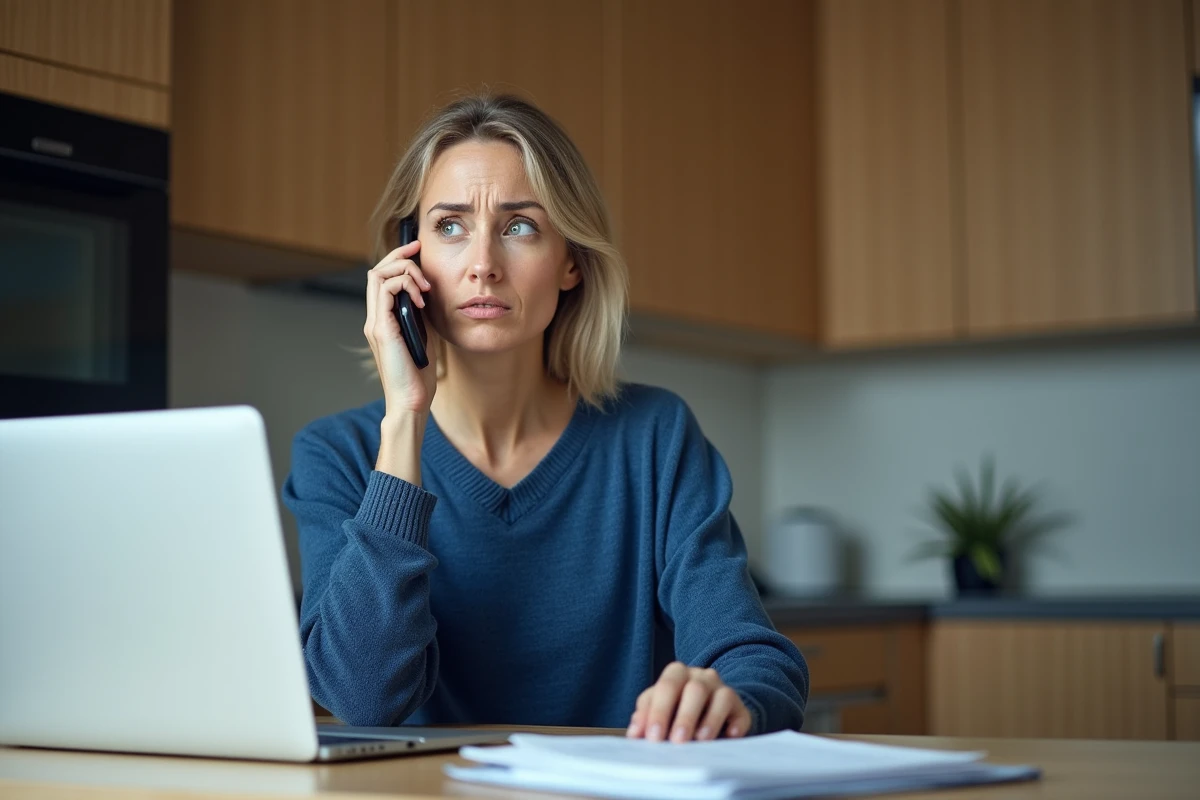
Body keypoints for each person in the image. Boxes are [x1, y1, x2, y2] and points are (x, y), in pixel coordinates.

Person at [282, 93, 808, 743]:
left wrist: (729, 697)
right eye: (449, 226)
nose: (482, 265)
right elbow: (362, 698)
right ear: (407, 259)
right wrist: (405, 422)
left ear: (570, 262)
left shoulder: (655, 438)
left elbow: (755, 660)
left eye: (519, 226)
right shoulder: (338, 455)